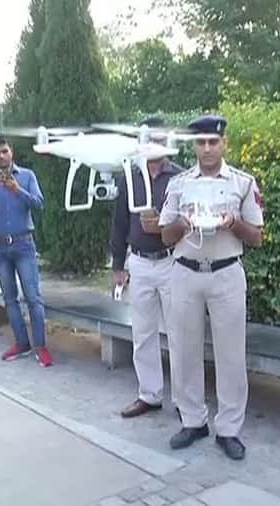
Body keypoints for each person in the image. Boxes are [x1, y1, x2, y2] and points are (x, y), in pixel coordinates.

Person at [158, 114, 264, 460]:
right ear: (194, 146)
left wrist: (234, 223)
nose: (207, 148)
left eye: (213, 142)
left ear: (224, 143)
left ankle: (229, 429)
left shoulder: (242, 183)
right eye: (201, 142)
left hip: (226, 272)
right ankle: (192, 420)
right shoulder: (179, 184)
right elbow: (165, 236)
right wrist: (183, 224)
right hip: (186, 272)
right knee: (184, 351)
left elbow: (257, 237)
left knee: (230, 354)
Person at [110, 116, 183, 418]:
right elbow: (119, 223)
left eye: (160, 139)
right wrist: (118, 265)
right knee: (142, 333)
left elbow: (187, 223)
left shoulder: (179, 177)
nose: (155, 144)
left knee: (179, 334)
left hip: (171, 262)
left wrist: (164, 228)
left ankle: (185, 401)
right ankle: (149, 394)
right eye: (150, 139)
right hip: (139, 262)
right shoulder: (130, 177)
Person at [0, 134, 53, 367]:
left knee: (33, 297)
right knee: (9, 298)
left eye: (4, 151)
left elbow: (39, 204)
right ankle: (21, 343)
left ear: (11, 152)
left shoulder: (27, 176)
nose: (1, 156)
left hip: (23, 244)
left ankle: (41, 347)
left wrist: (18, 190)